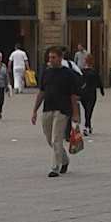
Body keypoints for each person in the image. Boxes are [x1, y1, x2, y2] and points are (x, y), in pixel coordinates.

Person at [31, 46, 82, 177]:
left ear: (60, 58)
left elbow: (73, 96)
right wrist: (34, 110)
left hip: (62, 110)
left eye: (53, 57)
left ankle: (55, 167)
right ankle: (64, 160)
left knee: (56, 138)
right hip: (48, 108)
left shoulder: (68, 74)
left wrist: (75, 113)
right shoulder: (46, 73)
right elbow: (41, 92)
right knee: (49, 138)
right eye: (49, 57)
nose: (51, 60)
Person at [79, 59, 104, 134]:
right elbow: (99, 82)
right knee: (89, 110)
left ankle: (88, 126)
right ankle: (86, 126)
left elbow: (79, 82)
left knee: (86, 110)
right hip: (91, 93)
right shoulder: (94, 72)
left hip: (83, 93)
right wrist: (102, 91)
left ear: (85, 62)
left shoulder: (81, 72)